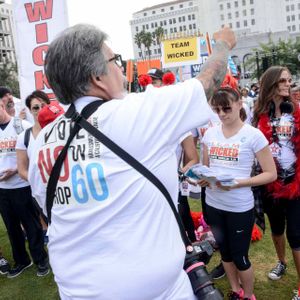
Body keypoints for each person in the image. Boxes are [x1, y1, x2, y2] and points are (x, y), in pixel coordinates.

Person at [28, 24, 236, 300]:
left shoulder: (42, 141)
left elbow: (48, 209)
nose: (120, 69)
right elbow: (208, 81)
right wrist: (222, 44)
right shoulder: (136, 113)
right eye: (115, 61)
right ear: (97, 76)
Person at [199, 87, 276, 300]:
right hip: (214, 204)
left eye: (226, 108)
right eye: (217, 109)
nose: (222, 114)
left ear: (239, 104)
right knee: (224, 253)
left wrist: (239, 183)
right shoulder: (210, 134)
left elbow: (271, 174)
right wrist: (201, 178)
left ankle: (248, 295)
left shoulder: (253, 135)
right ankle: (235, 291)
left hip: (239, 207)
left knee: (240, 257)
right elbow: (205, 168)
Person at [252, 66, 300, 300]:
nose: (287, 84)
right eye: (283, 80)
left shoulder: (298, 111)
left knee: (296, 235)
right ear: (271, 83)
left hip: (295, 184)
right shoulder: (259, 114)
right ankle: (281, 263)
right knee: (277, 229)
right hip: (270, 184)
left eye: (289, 80)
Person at [0, 98, 49, 278]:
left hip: (21, 185)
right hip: (2, 189)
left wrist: (15, 170)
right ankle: (22, 261)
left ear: (2, 106)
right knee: (12, 228)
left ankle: (41, 260)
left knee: (32, 226)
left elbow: (34, 153)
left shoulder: (21, 125)